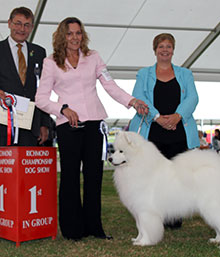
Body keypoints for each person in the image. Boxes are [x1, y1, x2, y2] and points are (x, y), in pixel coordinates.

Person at [35, 17, 148, 241]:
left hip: (95, 123)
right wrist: (62, 109)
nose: (75, 38)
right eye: (69, 34)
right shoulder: (51, 62)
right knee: (70, 177)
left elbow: (109, 85)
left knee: (94, 176)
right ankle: (72, 230)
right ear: (62, 36)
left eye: (78, 33)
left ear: (82, 35)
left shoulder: (93, 57)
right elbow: (40, 98)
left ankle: (94, 228)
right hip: (68, 126)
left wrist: (132, 101)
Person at [129, 33, 200, 229]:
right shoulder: (144, 74)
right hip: (152, 133)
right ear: (155, 50)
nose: (165, 50)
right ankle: (153, 216)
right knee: (152, 177)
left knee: (177, 178)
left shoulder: (185, 74)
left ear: (173, 50)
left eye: (168, 46)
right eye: (161, 46)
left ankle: (174, 216)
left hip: (179, 132)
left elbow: (192, 98)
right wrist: (157, 118)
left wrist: (177, 116)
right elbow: (138, 97)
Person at [0, 6, 50, 146]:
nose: (22, 29)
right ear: (9, 23)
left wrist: (44, 124)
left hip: (31, 126)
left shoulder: (39, 52)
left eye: (26, 25)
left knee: (28, 166)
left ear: (32, 27)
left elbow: (43, 90)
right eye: (18, 23)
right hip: (3, 124)